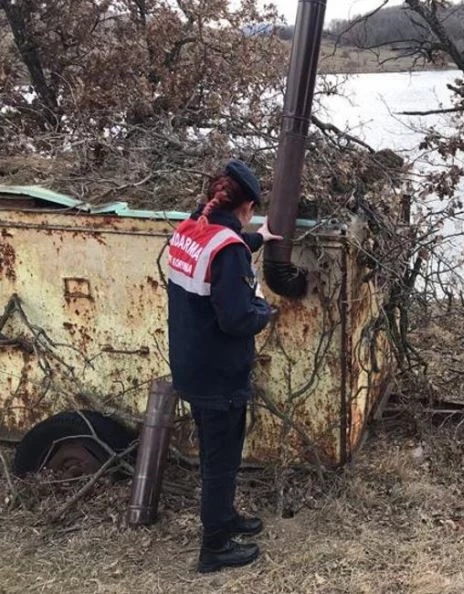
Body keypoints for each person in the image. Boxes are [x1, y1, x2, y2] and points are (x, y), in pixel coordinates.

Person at [167, 159, 282, 573]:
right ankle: (213, 547)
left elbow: (217, 257)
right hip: (218, 373)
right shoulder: (226, 248)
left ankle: (224, 517)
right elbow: (235, 318)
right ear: (246, 207)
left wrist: (255, 239)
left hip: (190, 363)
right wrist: (264, 312)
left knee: (217, 452)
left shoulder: (189, 230)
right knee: (222, 459)